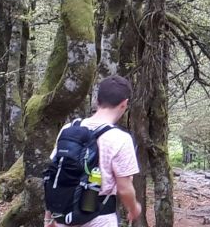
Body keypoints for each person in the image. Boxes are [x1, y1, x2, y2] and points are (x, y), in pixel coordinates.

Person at [46, 76, 143, 227]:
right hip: (100, 219)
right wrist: (134, 208)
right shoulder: (120, 139)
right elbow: (124, 188)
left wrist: (49, 218)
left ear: (97, 100)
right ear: (124, 104)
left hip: (63, 217)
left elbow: (55, 174)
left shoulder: (69, 129)